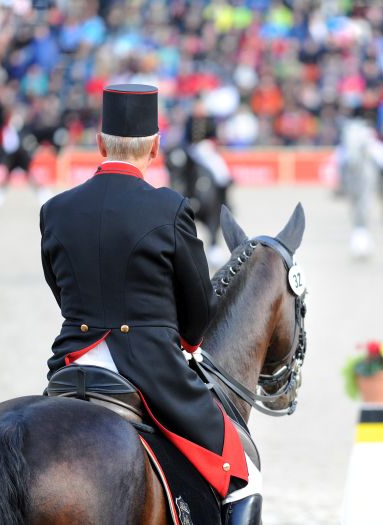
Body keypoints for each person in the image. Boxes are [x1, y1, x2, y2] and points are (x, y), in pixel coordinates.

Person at [40, 84, 260, 524]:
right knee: (242, 473)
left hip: (71, 364)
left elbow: (59, 288)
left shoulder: (55, 209)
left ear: (100, 144)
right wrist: (191, 342)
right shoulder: (169, 207)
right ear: (156, 147)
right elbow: (197, 305)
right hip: (148, 367)